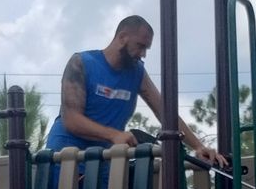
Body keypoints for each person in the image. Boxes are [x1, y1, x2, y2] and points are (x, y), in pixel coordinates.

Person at [44, 15, 227, 167]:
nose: (143, 54)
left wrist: (198, 146)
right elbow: (72, 120)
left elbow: (166, 114)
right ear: (122, 37)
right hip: (66, 156)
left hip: (104, 159)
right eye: (140, 46)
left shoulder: (137, 71)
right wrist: (114, 135)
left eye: (146, 49)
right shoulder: (82, 63)